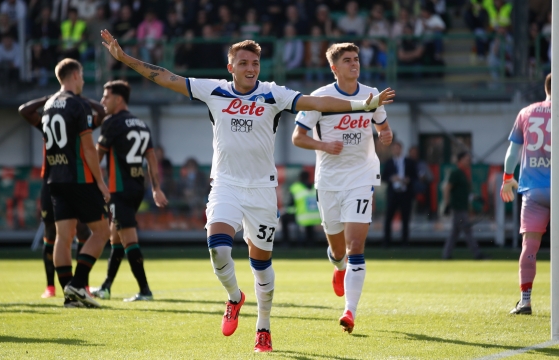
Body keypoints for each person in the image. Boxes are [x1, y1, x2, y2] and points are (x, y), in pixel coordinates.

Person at [100, 29, 394, 352]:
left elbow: (316, 102)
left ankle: (263, 329)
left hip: (262, 191)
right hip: (225, 184)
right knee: (218, 248)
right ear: (231, 67)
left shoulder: (271, 94)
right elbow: (167, 78)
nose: (250, 68)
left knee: (261, 265)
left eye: (255, 63)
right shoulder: (215, 91)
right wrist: (125, 59)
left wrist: (359, 105)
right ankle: (234, 297)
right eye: (243, 63)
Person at [293, 42, 393, 333]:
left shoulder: (371, 95)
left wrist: (385, 134)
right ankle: (338, 268)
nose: (354, 64)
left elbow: (382, 125)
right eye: (347, 60)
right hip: (329, 180)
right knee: (338, 250)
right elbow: (297, 137)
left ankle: (349, 311)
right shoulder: (320, 98)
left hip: (361, 177)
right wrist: (323, 145)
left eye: (357, 59)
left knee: (356, 247)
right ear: (334, 67)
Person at [18, 58, 109, 307]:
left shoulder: (48, 106)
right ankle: (78, 285)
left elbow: (28, 113)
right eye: (81, 75)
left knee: (63, 237)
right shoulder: (78, 105)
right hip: (78, 177)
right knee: (103, 231)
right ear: (76, 76)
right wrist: (100, 183)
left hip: (54, 179)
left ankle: (70, 298)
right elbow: (89, 148)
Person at [500, 73, 559, 315]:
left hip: (533, 192)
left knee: (529, 245)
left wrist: (507, 179)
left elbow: (512, 153)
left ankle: (525, 301)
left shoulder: (526, 113)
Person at [90, 80, 168, 302]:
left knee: (128, 239)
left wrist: (93, 182)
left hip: (119, 188)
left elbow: (98, 156)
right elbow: (151, 157)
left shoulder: (112, 123)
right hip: (137, 188)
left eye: (106, 97)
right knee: (116, 239)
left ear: (118, 99)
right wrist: (156, 188)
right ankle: (106, 287)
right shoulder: (141, 124)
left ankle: (145, 290)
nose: (103, 101)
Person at [442, 151, 486, 260]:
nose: (469, 161)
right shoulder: (456, 173)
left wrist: (477, 198)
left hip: (462, 207)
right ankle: (477, 254)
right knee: (467, 231)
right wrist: (447, 204)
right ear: (460, 160)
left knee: (455, 233)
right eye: (467, 159)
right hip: (458, 208)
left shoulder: (464, 173)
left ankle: (446, 255)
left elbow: (467, 193)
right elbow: (447, 188)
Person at [383, 141, 417, 246]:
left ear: (401, 149)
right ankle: (387, 241)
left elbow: (414, 176)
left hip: (405, 193)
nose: (396, 150)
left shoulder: (409, 162)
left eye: (398, 148)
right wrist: (391, 178)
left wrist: (408, 180)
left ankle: (405, 241)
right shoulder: (388, 162)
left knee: (405, 218)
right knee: (389, 217)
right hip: (393, 193)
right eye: (394, 149)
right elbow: (383, 177)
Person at [287, 170, 320, 244]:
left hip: (302, 216)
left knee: (284, 219)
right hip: (316, 217)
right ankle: (310, 241)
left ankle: (286, 242)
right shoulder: (315, 187)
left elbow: (291, 204)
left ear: (299, 178)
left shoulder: (295, 188)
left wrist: (290, 212)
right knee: (309, 228)